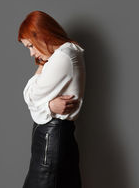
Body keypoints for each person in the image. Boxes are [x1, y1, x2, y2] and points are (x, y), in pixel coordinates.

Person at [18, 10, 86, 188]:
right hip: (55, 137)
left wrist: (44, 107)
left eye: (31, 46)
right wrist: (49, 106)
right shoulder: (63, 54)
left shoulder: (63, 57)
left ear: (41, 36)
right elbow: (32, 98)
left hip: (52, 137)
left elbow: (30, 96)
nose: (32, 53)